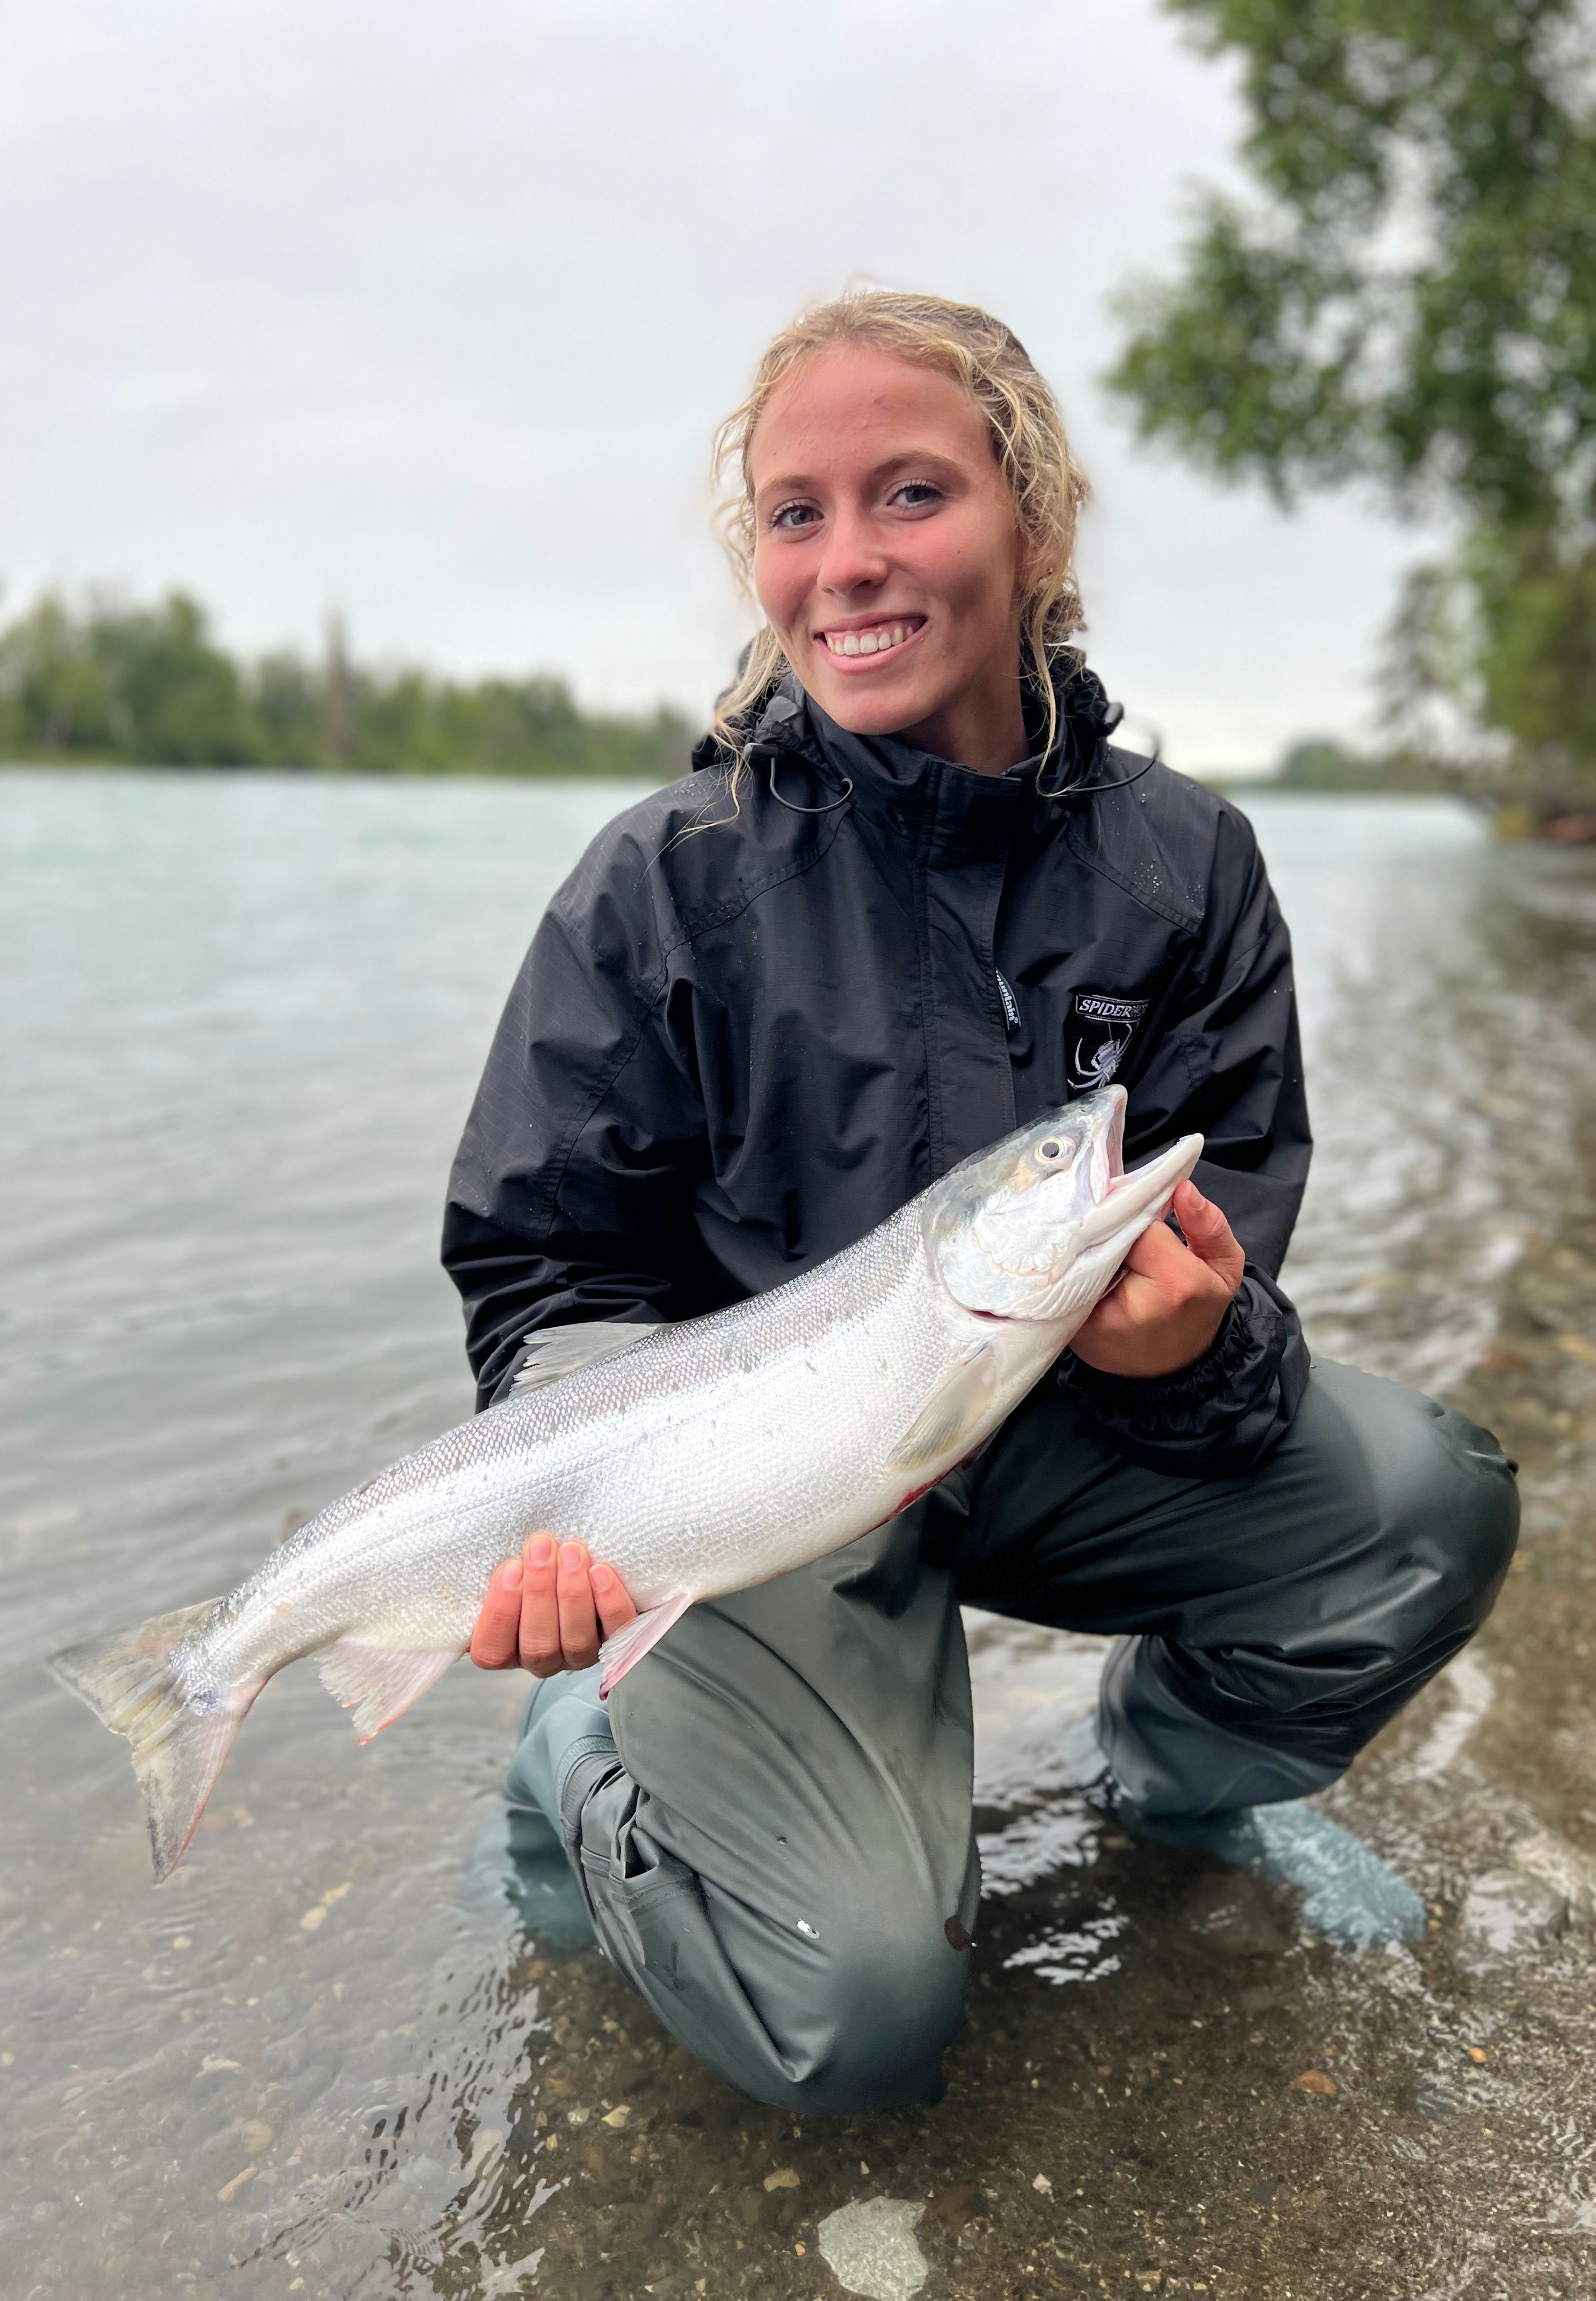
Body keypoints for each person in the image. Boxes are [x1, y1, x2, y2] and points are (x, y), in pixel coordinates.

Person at [441, 290, 1518, 2115]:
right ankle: (585, 1760)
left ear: (1035, 523)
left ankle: (1182, 1794)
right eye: (797, 513)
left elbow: (1236, 1262)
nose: (847, 562)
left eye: (911, 495)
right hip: (758, 1501)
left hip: (1061, 1428)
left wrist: (1195, 1350)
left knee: (1428, 1502)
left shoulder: (1191, 870)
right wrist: (585, 1522)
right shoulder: (659, 885)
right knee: (851, 2023)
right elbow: (544, 1275)